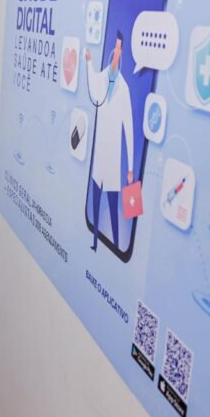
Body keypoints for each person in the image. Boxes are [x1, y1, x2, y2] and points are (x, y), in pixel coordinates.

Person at [85, 32, 134, 252]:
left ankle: (114, 243)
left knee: (113, 205)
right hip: (100, 156)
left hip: (113, 158)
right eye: (115, 48)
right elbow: (93, 86)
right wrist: (88, 62)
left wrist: (130, 169)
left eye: (120, 49)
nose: (116, 53)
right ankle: (95, 241)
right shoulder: (102, 79)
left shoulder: (125, 90)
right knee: (96, 200)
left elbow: (129, 131)